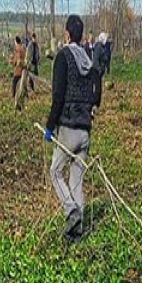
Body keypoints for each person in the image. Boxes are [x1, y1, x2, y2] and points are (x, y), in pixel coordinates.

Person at [42, 14, 102, 242]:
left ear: (67, 34)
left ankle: (71, 211)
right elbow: (98, 96)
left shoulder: (63, 57)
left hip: (67, 128)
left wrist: (50, 126)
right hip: (86, 128)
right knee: (76, 179)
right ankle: (77, 233)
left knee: (55, 172)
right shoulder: (89, 58)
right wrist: (89, 108)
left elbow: (57, 96)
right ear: (83, 35)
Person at [10, 35, 25, 99]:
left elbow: (18, 59)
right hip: (22, 68)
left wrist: (13, 62)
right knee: (22, 81)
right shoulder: (22, 48)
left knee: (14, 82)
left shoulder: (17, 48)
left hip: (18, 68)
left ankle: (13, 95)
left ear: (16, 41)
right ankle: (25, 94)